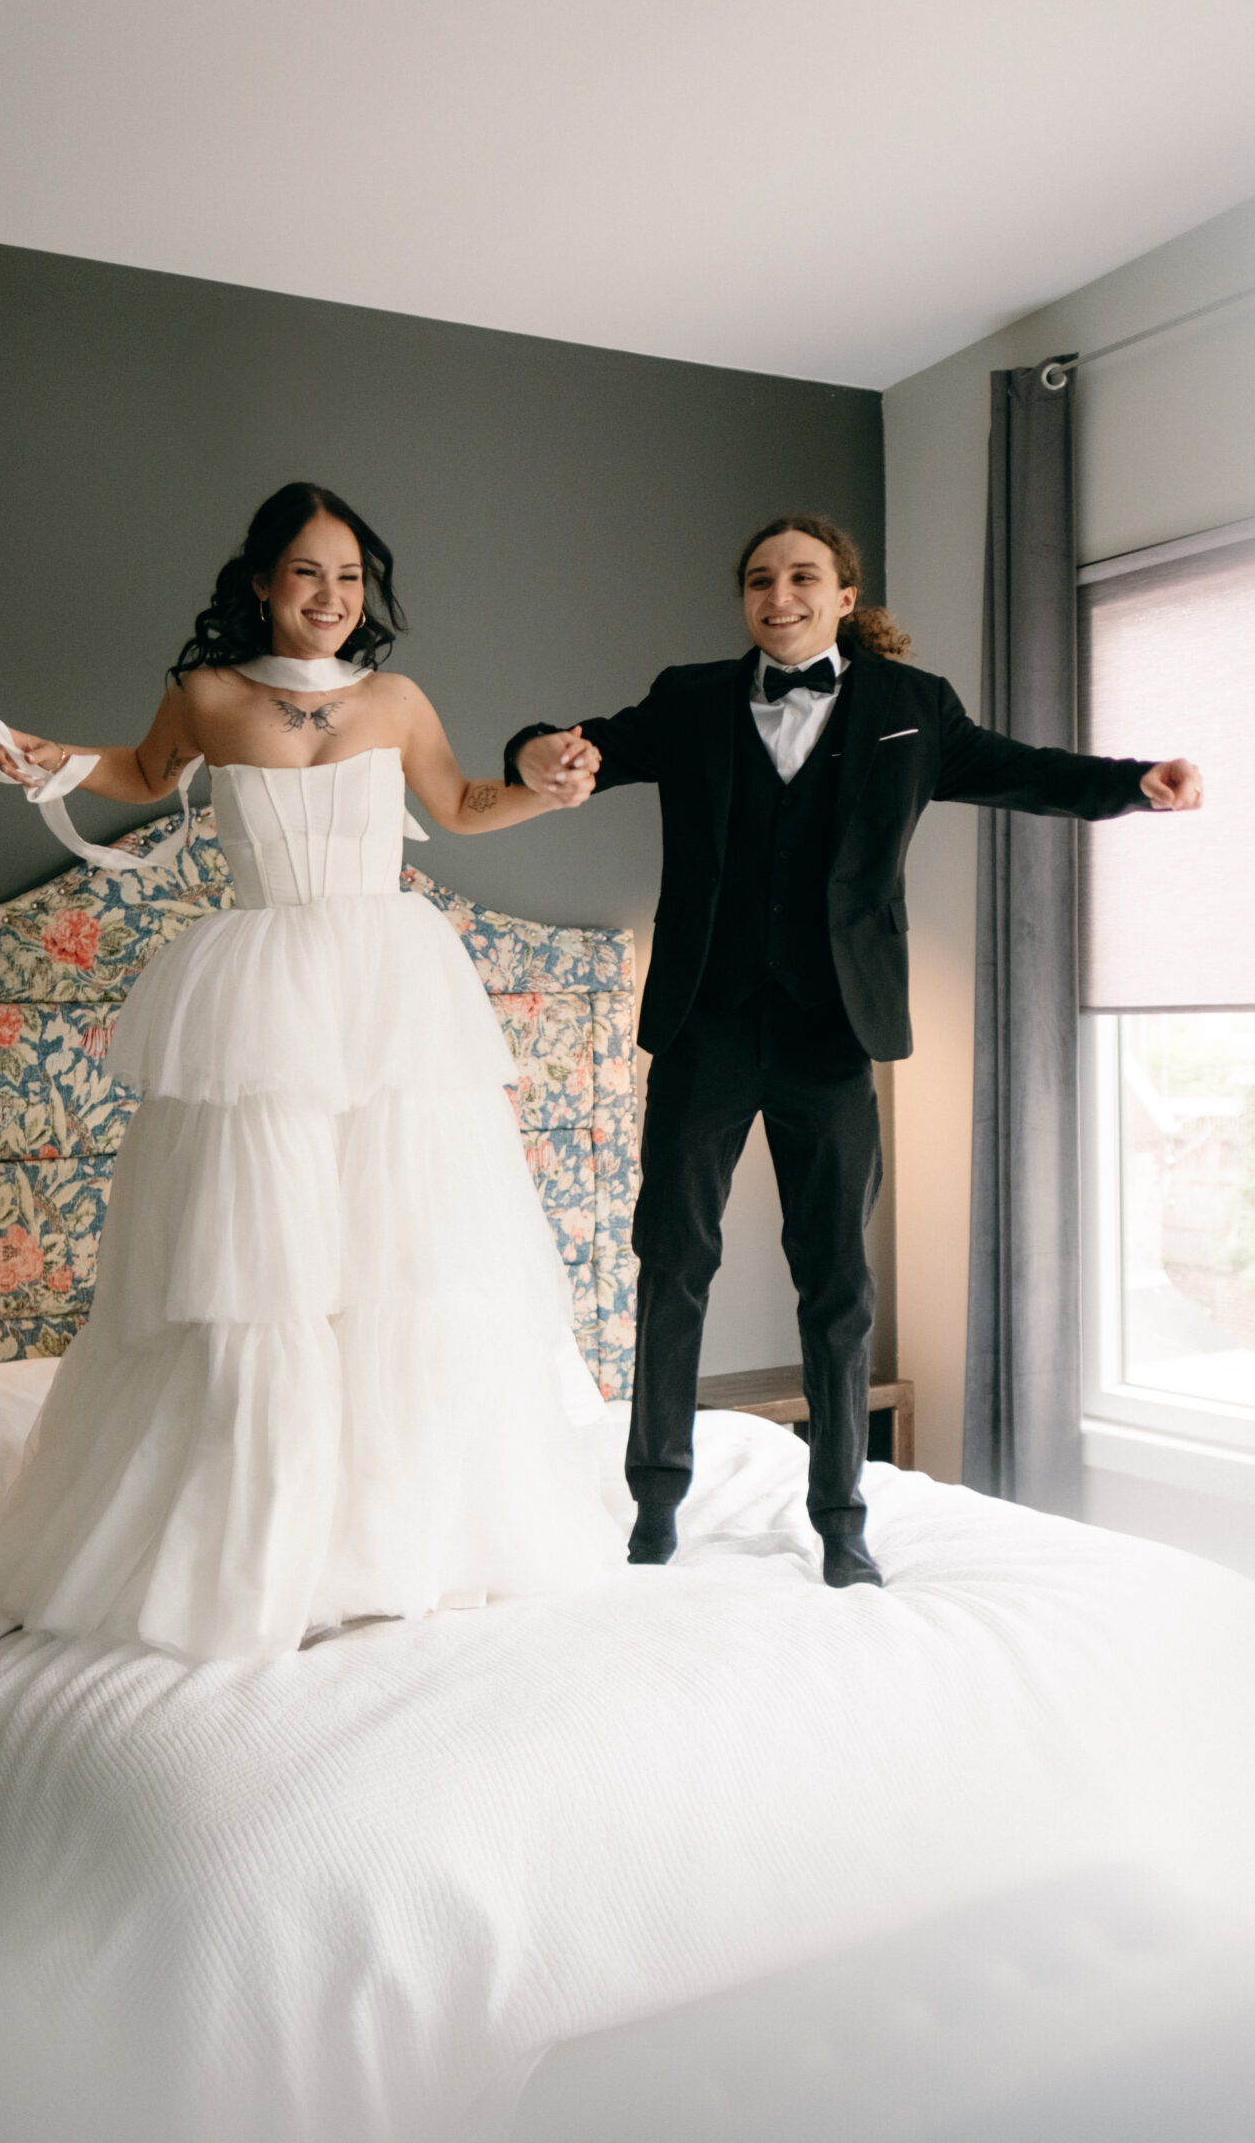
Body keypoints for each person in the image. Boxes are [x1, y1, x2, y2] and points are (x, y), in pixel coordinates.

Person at [0, 480, 622, 1664]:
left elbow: (464, 803)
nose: (331, 597)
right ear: (264, 581)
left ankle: (406, 1537)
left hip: (389, 990)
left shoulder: (396, 697)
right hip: (261, 999)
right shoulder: (207, 695)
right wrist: (57, 761)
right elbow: (141, 769)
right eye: (309, 573)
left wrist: (549, 789)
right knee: (262, 1272)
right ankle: (265, 1537)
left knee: (401, 1262)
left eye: (352, 578)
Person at [506, 514, 1202, 1588]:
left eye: (801, 577)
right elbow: (581, 748)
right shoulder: (689, 699)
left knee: (836, 1279)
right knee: (674, 1259)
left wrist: (1134, 781)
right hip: (708, 1022)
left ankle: (840, 1516)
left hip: (835, 1032)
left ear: (842, 594)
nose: (777, 595)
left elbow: (1024, 771)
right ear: (743, 598)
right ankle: (657, 1498)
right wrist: (538, 750)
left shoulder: (912, 711)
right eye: (758, 580)